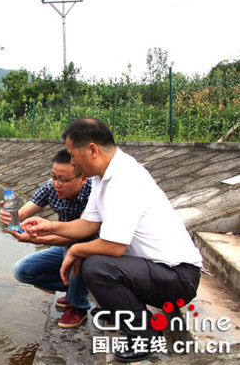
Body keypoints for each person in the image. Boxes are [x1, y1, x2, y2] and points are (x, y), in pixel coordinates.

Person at [21, 117, 203, 363]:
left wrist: (75, 251)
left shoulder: (124, 179)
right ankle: (118, 309)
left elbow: (114, 246)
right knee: (90, 256)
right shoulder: (101, 177)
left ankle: (143, 334)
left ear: (92, 150)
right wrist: (48, 226)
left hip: (178, 278)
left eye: (74, 155)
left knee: (94, 264)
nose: (72, 161)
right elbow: (88, 225)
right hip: (151, 270)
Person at [0, 149, 96, 328]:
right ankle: (75, 288)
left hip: (91, 248)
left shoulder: (93, 192)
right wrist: (10, 216)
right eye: (54, 177)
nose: (57, 184)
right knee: (23, 270)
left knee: (78, 250)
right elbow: (23, 213)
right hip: (64, 245)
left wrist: (36, 239)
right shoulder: (50, 186)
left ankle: (78, 306)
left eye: (63, 180)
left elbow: (81, 234)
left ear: (82, 179)